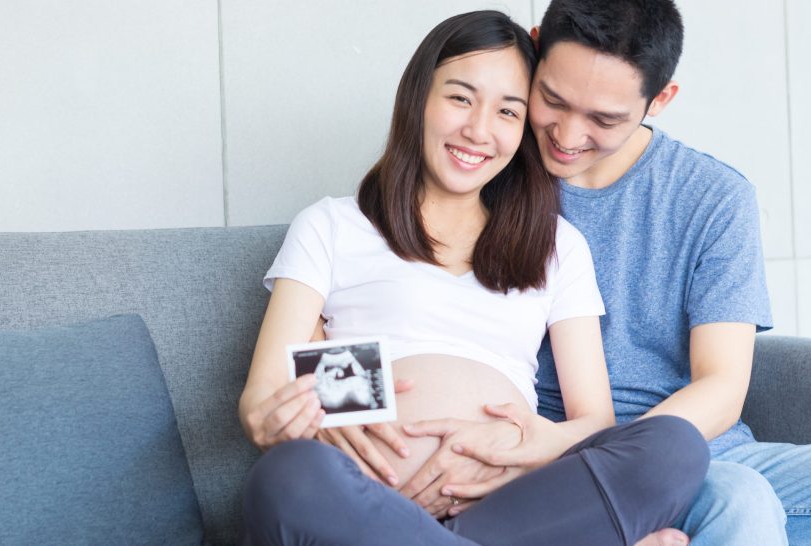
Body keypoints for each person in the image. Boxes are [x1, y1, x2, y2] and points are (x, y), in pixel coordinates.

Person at [238, 10, 708, 546]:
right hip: (367, 501)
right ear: (418, 96)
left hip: (510, 508)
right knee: (287, 477)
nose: (478, 130)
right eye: (460, 98)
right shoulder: (334, 225)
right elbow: (261, 402)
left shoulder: (557, 246)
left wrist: (521, 444)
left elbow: (593, 423)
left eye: (507, 111)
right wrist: (309, 418)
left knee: (675, 447)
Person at [516, 1, 811, 544]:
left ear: (660, 98)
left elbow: (721, 384)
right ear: (535, 47)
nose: (567, 133)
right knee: (740, 504)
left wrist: (637, 466)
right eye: (553, 99)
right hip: (554, 459)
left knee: (745, 492)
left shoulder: (713, 197)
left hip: (700, 452)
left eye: (605, 119)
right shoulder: (488, 173)